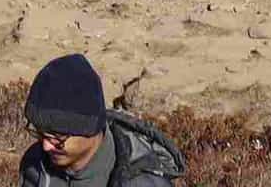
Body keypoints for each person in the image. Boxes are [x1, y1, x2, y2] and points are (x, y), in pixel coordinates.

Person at [15, 53, 184, 185]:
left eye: (57, 138)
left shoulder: (141, 183)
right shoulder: (35, 164)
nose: (45, 146)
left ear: (89, 128)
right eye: (40, 133)